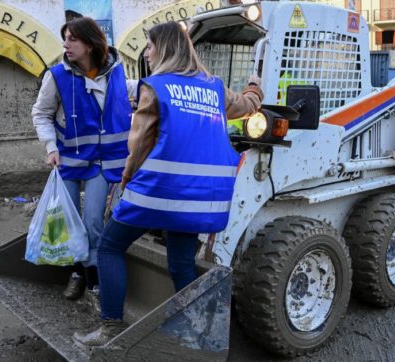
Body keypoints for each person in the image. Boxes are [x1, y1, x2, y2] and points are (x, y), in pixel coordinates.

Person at [73, 21, 263, 346]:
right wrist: (254, 88)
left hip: (157, 194)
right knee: (181, 264)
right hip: (203, 199)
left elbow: (140, 145)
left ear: (163, 48)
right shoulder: (215, 88)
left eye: (149, 45)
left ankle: (111, 329)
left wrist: (123, 184)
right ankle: (195, 336)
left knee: (109, 246)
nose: (146, 51)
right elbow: (247, 107)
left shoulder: (156, 86)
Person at [31, 17, 137, 302]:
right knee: (68, 221)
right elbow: (41, 113)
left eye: (72, 39)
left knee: (93, 220)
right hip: (67, 160)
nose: (66, 45)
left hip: (103, 162)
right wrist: (51, 146)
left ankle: (93, 275)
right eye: (65, 38)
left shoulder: (115, 73)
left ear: (90, 44)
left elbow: (130, 95)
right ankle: (76, 271)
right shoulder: (57, 76)